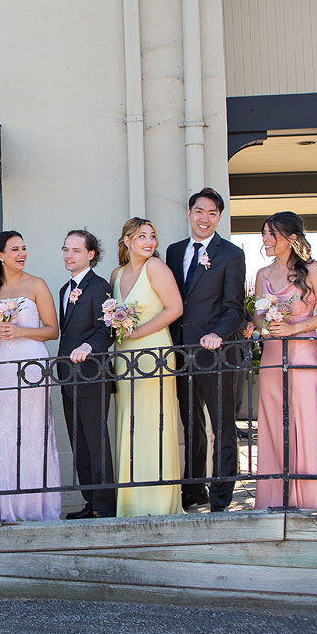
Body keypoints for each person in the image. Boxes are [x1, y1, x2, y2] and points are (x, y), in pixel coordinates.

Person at [165, 188, 247, 513]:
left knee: (222, 425)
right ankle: (193, 489)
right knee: (191, 424)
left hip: (215, 353)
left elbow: (234, 307)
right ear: (189, 214)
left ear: (219, 218)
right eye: (200, 211)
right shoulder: (173, 252)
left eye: (212, 213)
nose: (205, 218)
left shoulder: (231, 254)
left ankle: (222, 495)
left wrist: (217, 334)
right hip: (180, 352)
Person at [252, 213, 317, 510]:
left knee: (304, 417)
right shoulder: (262, 274)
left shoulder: (312, 270)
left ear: (290, 238)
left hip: (303, 351)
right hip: (272, 354)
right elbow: (257, 315)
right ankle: (275, 495)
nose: (264, 239)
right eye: (263, 233)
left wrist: (293, 327)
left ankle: (312, 496)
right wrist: (265, 325)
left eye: (271, 234)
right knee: (274, 420)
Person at [0, 230, 61, 522]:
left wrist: (21, 331)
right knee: (2, 431)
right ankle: (4, 505)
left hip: (31, 363)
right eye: (14, 249)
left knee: (32, 431)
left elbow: (53, 329)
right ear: (0, 255)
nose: (21, 254)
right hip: (0, 364)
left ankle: (34, 506)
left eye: (24, 248)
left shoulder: (37, 284)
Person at [111, 218, 184, 517]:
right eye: (142, 236)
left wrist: (140, 332)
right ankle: (130, 502)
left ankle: (157, 501)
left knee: (155, 424)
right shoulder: (116, 274)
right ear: (127, 240)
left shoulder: (156, 267)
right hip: (123, 355)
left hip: (153, 353)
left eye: (153, 236)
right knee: (128, 423)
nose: (149, 241)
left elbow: (175, 308)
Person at [55, 230, 116, 519]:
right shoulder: (63, 290)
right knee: (79, 444)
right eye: (66, 249)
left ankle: (105, 506)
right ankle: (89, 502)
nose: (68, 255)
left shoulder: (100, 286)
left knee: (96, 441)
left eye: (76, 250)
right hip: (68, 377)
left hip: (92, 375)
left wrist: (88, 346)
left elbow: (108, 328)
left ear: (91, 254)